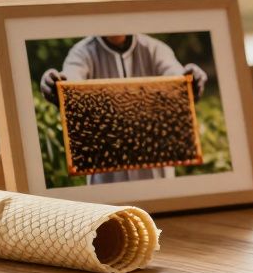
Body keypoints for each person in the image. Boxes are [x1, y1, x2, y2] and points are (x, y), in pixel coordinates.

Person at [40, 34, 208, 184]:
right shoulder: (82, 52)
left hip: (158, 180)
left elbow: (177, 76)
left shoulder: (156, 49)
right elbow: (71, 78)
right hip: (107, 184)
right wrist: (56, 84)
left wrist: (191, 78)